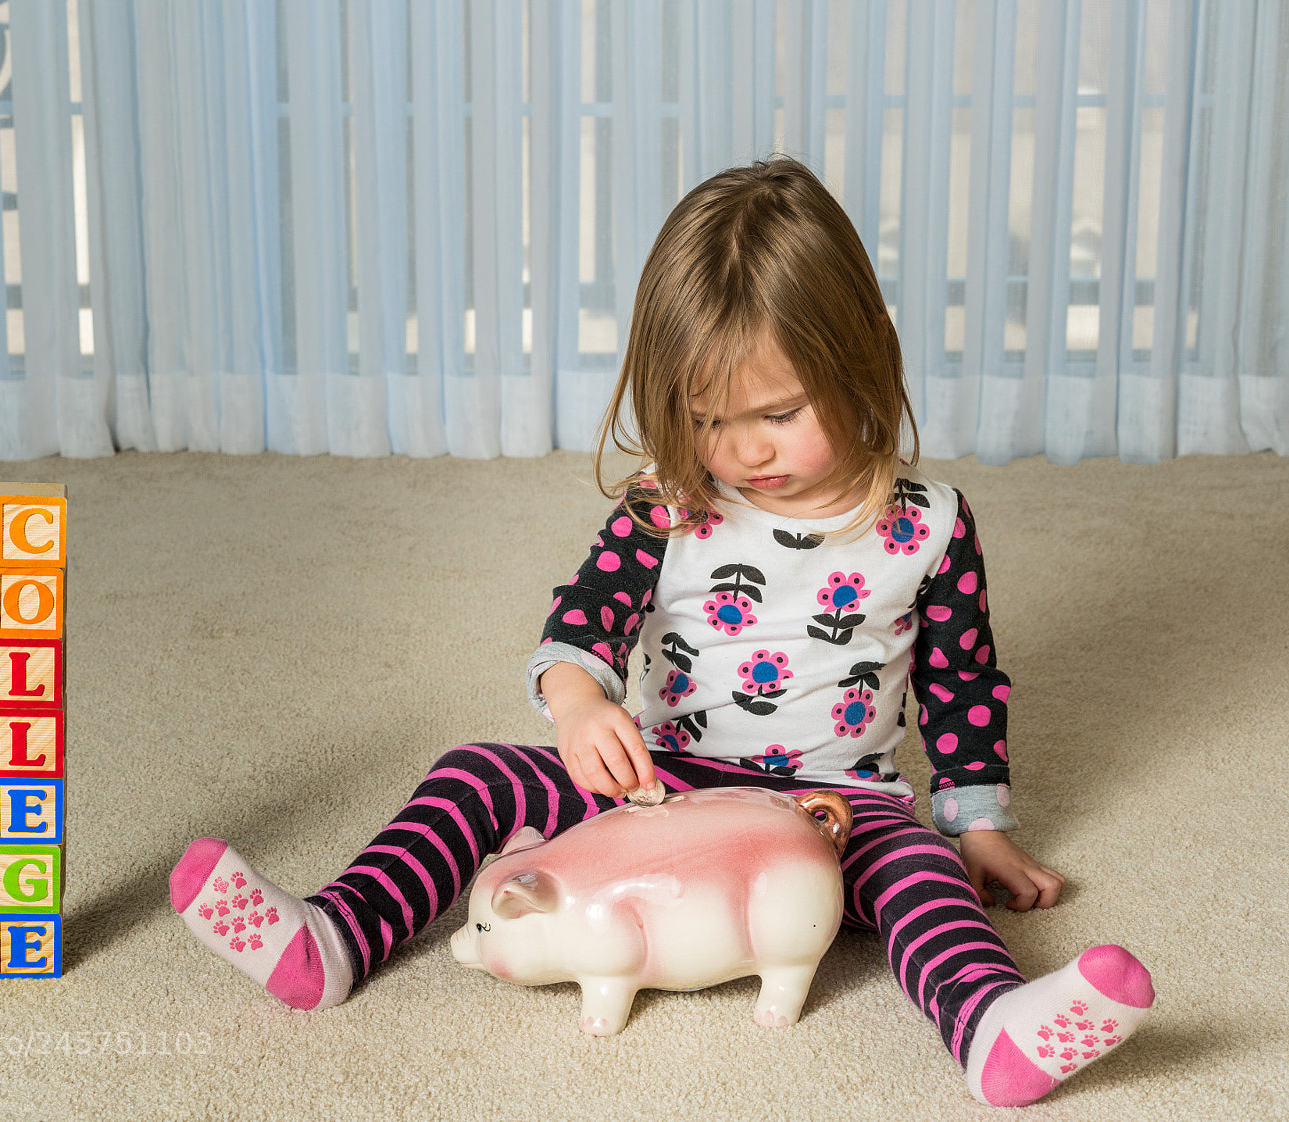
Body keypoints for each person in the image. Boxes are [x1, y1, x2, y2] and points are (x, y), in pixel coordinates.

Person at [167, 158, 1152, 1107]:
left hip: (842, 809)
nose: (745, 450)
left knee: (925, 880)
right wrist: (577, 698)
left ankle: (990, 1029)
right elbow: (586, 615)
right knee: (471, 773)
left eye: (778, 412)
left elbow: (961, 678)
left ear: (867, 351)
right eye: (709, 417)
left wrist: (975, 825)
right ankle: (337, 935)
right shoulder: (669, 503)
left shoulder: (929, 521)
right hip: (657, 785)